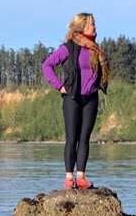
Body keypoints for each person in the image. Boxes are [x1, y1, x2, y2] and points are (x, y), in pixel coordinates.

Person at [42, 13, 111, 190]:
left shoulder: (96, 49)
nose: (95, 27)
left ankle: (81, 177)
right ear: (83, 26)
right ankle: (68, 178)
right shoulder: (69, 48)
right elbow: (47, 65)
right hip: (72, 98)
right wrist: (59, 86)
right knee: (72, 138)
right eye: (92, 24)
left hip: (91, 98)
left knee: (84, 138)